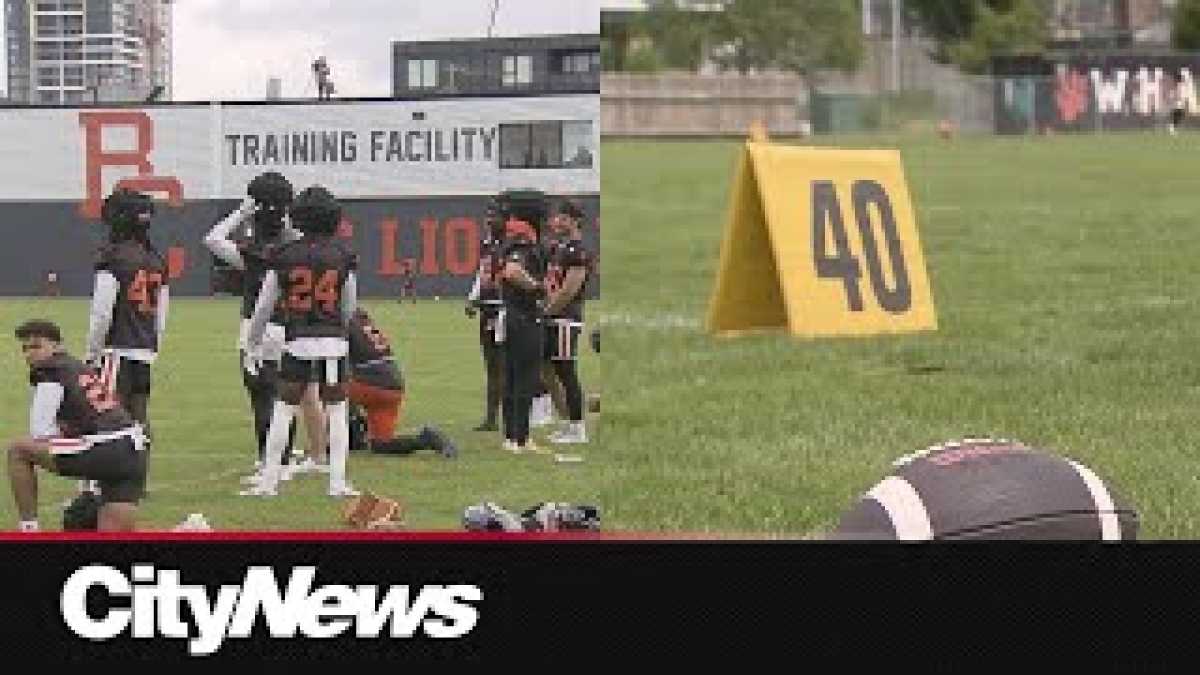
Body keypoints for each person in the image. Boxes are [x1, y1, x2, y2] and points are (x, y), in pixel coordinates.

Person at [203, 171, 328, 485]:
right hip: (295, 327)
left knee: (263, 398)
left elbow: (213, 239)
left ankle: (272, 464)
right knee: (289, 398)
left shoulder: (254, 250)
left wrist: (241, 212)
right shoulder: (296, 243)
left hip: (259, 326)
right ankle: (289, 461)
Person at [242, 185, 359, 498]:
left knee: (283, 409)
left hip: (297, 341)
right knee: (336, 410)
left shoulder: (284, 255)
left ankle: (269, 482)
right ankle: (336, 482)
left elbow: (264, 306)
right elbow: (349, 306)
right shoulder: (342, 256)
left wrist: (252, 343)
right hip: (333, 341)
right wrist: (339, 331)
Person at [8, 320, 147, 531]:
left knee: (18, 451)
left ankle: (29, 529)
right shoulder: (78, 367)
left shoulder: (49, 371)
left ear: (57, 346)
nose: (29, 354)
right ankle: (190, 532)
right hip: (133, 450)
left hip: (104, 447)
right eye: (25, 349)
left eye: (37, 346)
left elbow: (41, 432)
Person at [347, 308, 456, 458]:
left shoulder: (337, 319)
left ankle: (347, 436)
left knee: (324, 388)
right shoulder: (361, 318)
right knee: (381, 445)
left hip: (370, 385)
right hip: (393, 385)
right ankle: (425, 439)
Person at [497, 194, 548, 454]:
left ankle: (512, 436)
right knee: (525, 377)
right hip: (524, 317)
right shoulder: (524, 245)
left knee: (512, 377)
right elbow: (512, 271)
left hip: (510, 316)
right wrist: (537, 286)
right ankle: (520, 437)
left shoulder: (511, 243)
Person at [542, 199, 594, 444]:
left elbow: (568, 290)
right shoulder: (560, 247)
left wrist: (547, 311)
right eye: (556, 217)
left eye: (562, 218)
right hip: (555, 316)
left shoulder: (578, 250)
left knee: (567, 372)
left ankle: (578, 427)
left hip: (565, 318)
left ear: (574, 220)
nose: (556, 222)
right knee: (550, 372)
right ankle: (567, 422)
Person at [465, 198, 506, 432]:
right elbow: (482, 271)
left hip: (505, 307)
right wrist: (473, 298)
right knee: (492, 365)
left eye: (495, 216)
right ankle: (491, 418)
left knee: (507, 363)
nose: (489, 220)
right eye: (488, 215)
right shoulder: (487, 243)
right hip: (487, 306)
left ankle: (516, 414)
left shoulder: (513, 243)